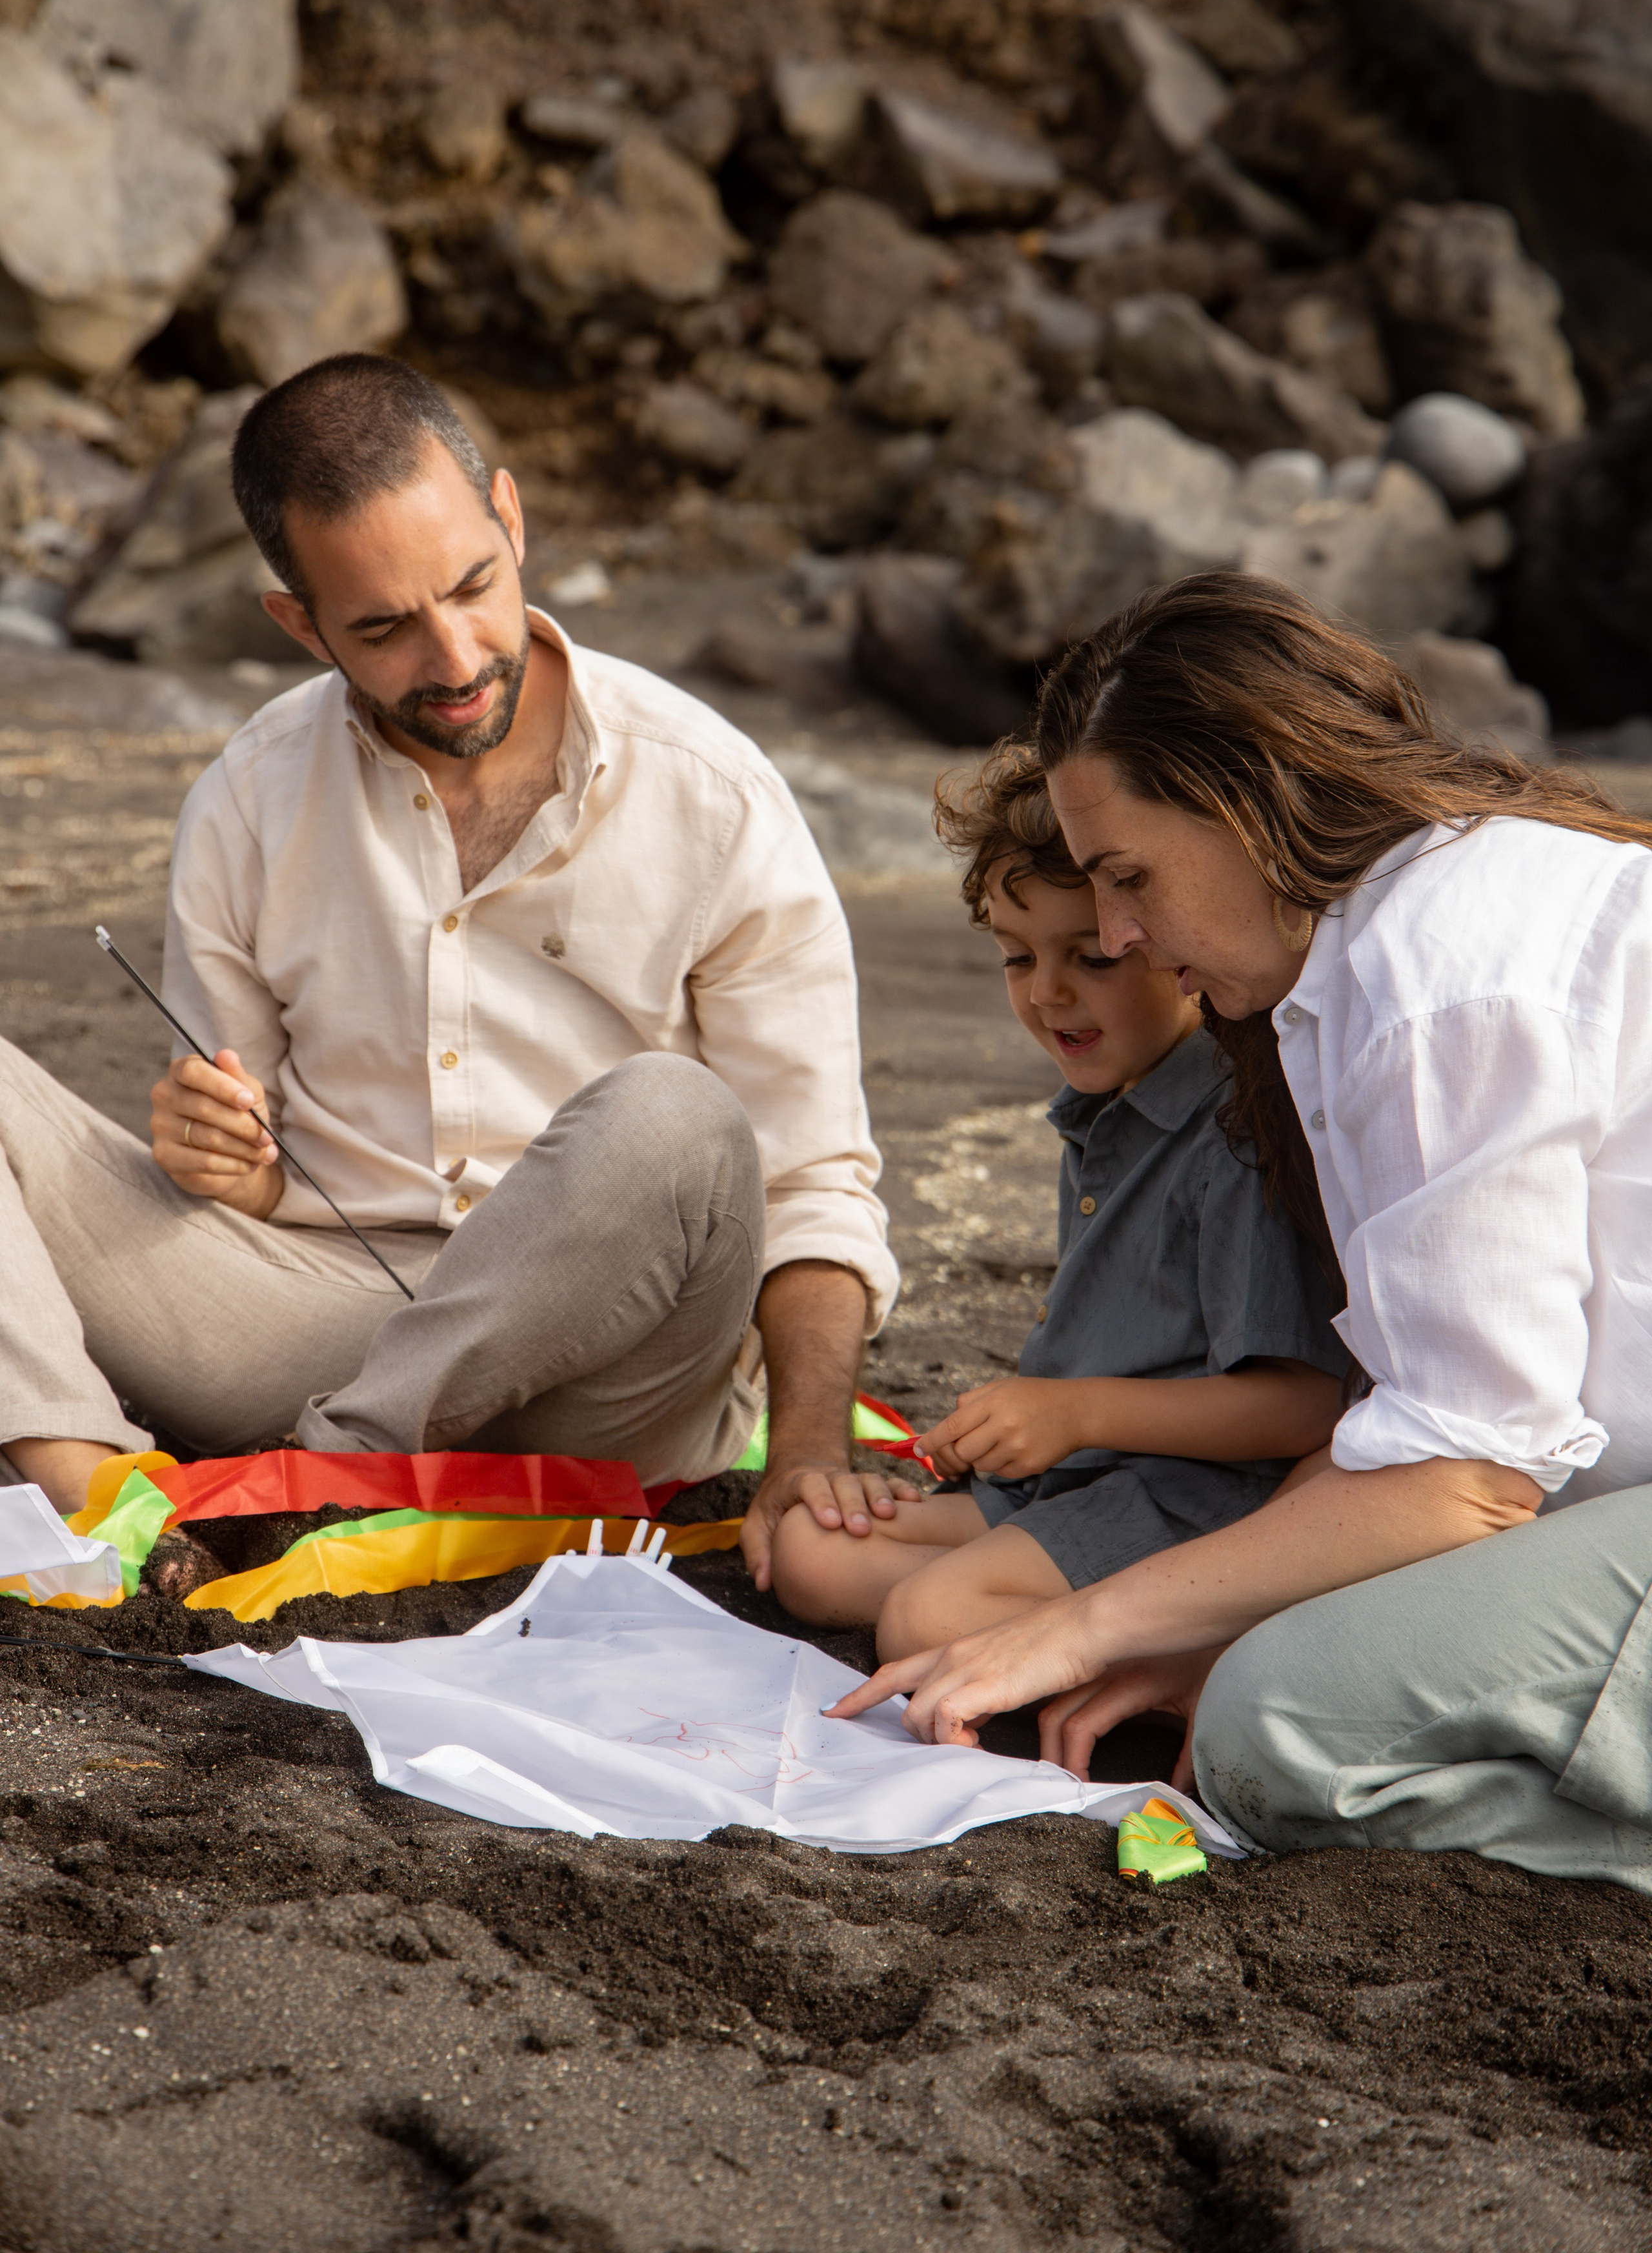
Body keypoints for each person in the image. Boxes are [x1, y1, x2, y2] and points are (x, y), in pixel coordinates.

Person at [0, 353, 902, 1593]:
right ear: (299, 624)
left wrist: (804, 1449)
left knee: (677, 1120)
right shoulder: (249, 800)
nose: (457, 653)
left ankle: (325, 1478)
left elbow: (811, 1185)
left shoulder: (716, 795)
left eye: (473, 585)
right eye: (381, 628)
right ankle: (95, 1494)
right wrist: (224, 1162)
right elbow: (254, 1178)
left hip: (609, 1384)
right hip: (313, 1321)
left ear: (512, 518)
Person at [830, 573, 1652, 1895]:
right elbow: (1414, 1427)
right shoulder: (1385, 943)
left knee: (1272, 1726)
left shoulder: (1430, 983)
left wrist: (1089, 1625)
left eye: (1125, 877)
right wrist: (1165, 1619)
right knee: (1246, 1657)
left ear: (1244, 810)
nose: (1113, 934)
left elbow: (1472, 1473)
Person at [771, 740, 1347, 1648]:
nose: (1049, 993)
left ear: (1175, 941)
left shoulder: (1234, 1132)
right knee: (809, 1550)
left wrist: (1070, 1413)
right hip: (1083, 1474)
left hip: (1196, 1500)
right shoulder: (1105, 1108)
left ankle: (1204, 1643)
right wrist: (1027, 1425)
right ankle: (1039, 1602)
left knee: (928, 1619)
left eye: (1093, 958)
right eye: (1015, 957)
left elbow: (1308, 1405)